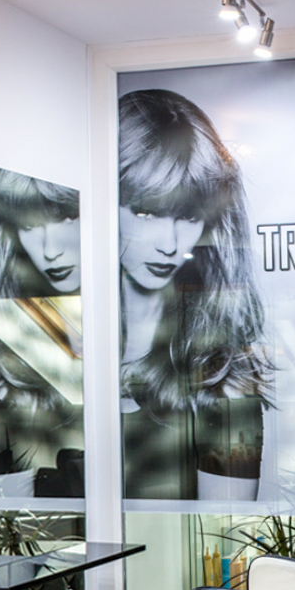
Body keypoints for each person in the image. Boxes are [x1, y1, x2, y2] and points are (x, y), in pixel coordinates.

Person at [116, 88, 271, 502]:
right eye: (146, 212)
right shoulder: (59, 349)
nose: (169, 244)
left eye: (186, 216)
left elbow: (226, 528)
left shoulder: (222, 372)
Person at [0, 169, 85, 497]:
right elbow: (5, 506)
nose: (50, 249)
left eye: (66, 218)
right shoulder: (8, 351)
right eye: (30, 226)